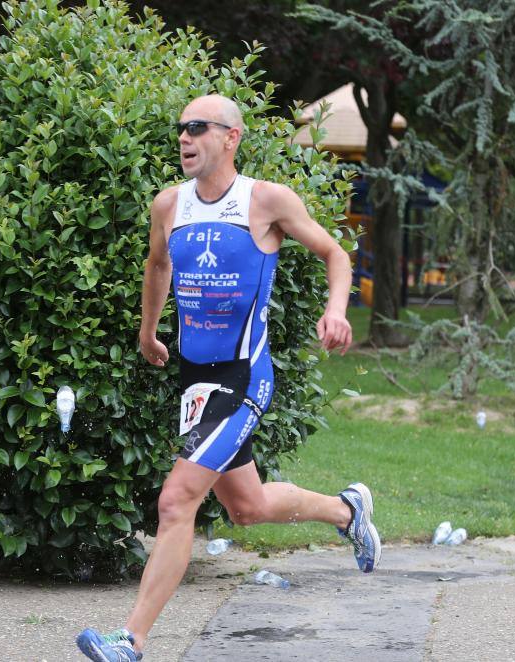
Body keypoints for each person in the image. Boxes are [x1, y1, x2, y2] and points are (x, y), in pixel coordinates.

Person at [76, 94, 381, 662]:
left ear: (231, 137)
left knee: (176, 500)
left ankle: (131, 640)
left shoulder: (264, 201)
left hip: (244, 379)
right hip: (196, 380)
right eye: (181, 129)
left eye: (198, 128)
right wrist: (148, 331)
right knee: (246, 507)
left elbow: (335, 254)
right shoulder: (169, 206)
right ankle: (347, 511)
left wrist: (336, 310)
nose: (185, 139)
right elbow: (158, 265)